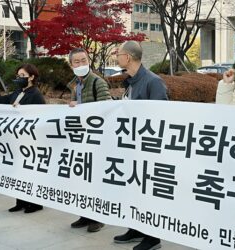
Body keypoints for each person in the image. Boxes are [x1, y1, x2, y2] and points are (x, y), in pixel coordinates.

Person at [113, 41, 168, 250]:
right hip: (130, 147)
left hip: (147, 149)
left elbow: (160, 116)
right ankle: (136, 228)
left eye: (118, 54)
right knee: (132, 191)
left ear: (128, 57)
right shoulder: (131, 82)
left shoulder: (153, 82)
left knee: (147, 194)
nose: (116, 57)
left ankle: (152, 237)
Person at [0, 63, 45, 213]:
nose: (19, 78)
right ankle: (21, 201)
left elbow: (41, 117)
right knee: (18, 171)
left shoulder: (36, 95)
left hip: (30, 140)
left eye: (23, 76)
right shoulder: (17, 92)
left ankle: (35, 203)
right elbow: (0, 101)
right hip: (15, 139)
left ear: (31, 77)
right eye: (18, 76)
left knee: (29, 173)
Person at [67, 48, 111, 232]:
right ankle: (85, 214)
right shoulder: (75, 84)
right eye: (76, 62)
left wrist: (81, 106)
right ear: (71, 65)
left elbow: (106, 107)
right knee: (83, 179)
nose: (81, 64)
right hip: (81, 138)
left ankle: (97, 218)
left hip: (97, 139)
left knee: (95, 181)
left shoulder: (97, 82)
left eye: (83, 60)